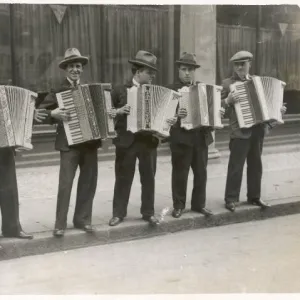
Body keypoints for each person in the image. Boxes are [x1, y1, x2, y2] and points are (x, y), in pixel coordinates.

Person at [44, 48, 101, 237]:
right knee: (65, 184)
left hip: (90, 144)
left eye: (78, 66)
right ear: (65, 69)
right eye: (71, 66)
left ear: (82, 69)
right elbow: (40, 112)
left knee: (88, 183)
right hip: (68, 145)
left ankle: (82, 220)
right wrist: (53, 114)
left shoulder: (90, 90)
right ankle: (60, 224)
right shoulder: (57, 91)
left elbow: (101, 112)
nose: (75, 70)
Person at [221, 50, 287, 212]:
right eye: (236, 65)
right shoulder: (227, 84)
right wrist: (227, 101)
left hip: (257, 131)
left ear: (249, 64)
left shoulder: (257, 81)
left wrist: (279, 111)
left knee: (256, 165)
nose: (239, 68)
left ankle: (254, 197)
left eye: (242, 64)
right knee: (236, 167)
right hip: (239, 132)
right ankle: (230, 198)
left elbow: (268, 106)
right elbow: (220, 111)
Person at [166, 52, 225, 218]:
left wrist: (218, 112)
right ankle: (178, 206)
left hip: (200, 138)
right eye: (184, 69)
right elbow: (164, 116)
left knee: (201, 173)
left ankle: (199, 205)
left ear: (194, 71)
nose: (187, 73)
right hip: (180, 139)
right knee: (180, 173)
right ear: (178, 70)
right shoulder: (171, 90)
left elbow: (212, 112)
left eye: (190, 70)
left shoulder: (204, 88)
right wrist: (177, 113)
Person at [108, 50, 160, 227]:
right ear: (138, 72)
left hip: (148, 142)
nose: (152, 76)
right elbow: (106, 113)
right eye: (149, 72)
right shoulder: (119, 89)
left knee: (149, 178)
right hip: (126, 142)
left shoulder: (156, 92)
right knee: (123, 178)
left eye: (153, 72)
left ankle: (148, 212)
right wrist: (119, 111)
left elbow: (163, 116)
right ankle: (118, 213)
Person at [0, 109, 47, 240]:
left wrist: (29, 114)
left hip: (4, 147)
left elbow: (16, 110)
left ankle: (12, 228)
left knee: (9, 190)